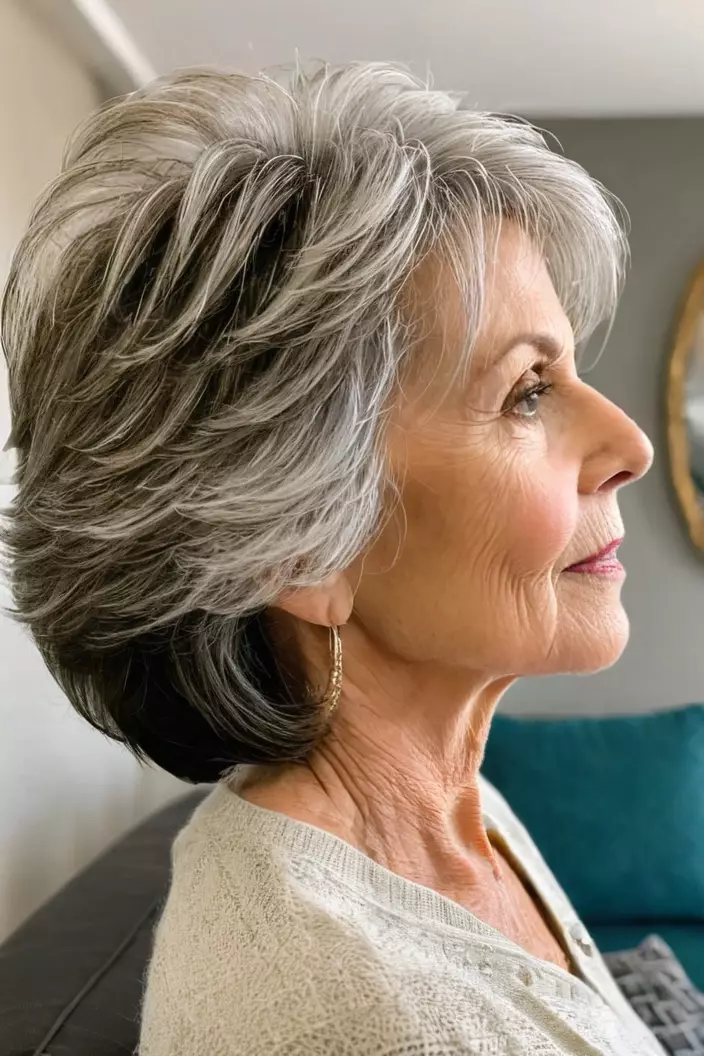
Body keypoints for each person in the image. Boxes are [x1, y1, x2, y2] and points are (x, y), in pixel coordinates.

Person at [1, 61, 662, 1055]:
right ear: (304, 538)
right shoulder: (338, 1018)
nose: (629, 444)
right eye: (525, 392)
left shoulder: (460, 808)